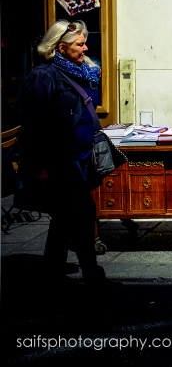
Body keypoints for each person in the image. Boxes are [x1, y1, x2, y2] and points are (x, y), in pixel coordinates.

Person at [17, 20, 109, 284]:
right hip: (58, 159)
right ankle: (91, 273)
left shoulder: (80, 70)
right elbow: (35, 123)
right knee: (83, 212)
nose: (86, 48)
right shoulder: (43, 76)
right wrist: (39, 165)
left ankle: (52, 272)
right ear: (60, 47)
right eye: (80, 44)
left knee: (64, 217)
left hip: (79, 157)